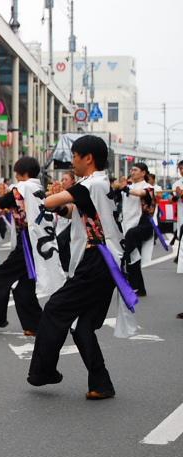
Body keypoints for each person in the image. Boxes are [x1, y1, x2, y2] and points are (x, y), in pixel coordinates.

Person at [27, 135, 126, 400]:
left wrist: (50, 195)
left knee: (56, 309)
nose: (72, 161)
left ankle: (43, 371)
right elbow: (74, 213)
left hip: (97, 262)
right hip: (107, 262)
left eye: (74, 156)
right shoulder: (101, 185)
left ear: (88, 158)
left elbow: (48, 203)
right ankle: (101, 383)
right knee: (83, 327)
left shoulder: (92, 183)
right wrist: (61, 203)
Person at [0, 157, 64, 336]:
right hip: (40, 239)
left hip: (28, 241)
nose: (16, 177)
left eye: (17, 173)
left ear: (23, 173)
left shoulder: (23, 188)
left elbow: (0, 204)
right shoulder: (39, 188)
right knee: (23, 287)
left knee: (2, 274)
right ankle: (35, 324)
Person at [115, 162, 156, 296]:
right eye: (131, 169)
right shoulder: (128, 186)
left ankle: (124, 260)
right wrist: (117, 189)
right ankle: (139, 288)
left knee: (130, 251)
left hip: (143, 224)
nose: (132, 172)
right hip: (127, 224)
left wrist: (125, 188)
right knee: (134, 257)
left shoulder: (148, 187)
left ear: (143, 173)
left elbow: (140, 193)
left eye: (135, 170)